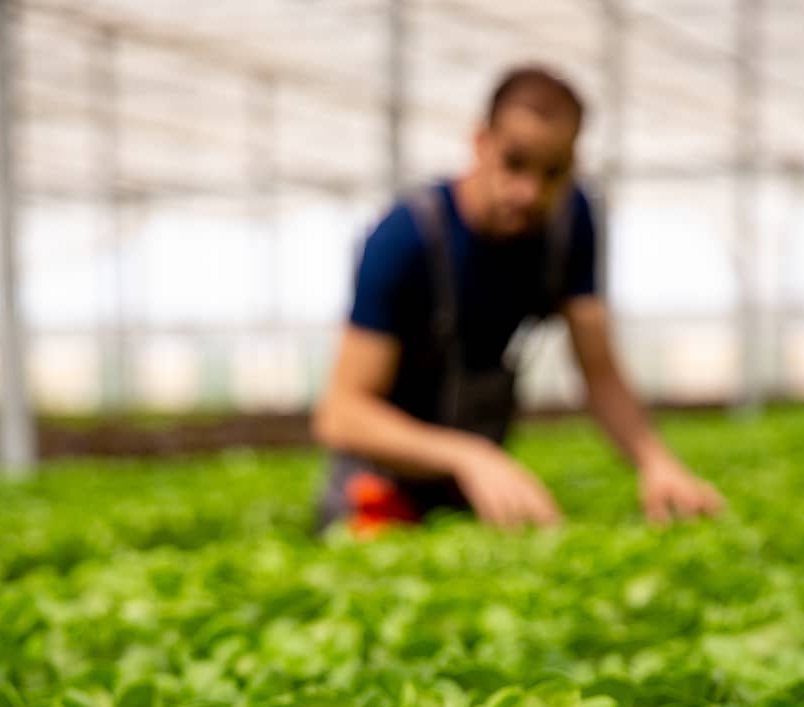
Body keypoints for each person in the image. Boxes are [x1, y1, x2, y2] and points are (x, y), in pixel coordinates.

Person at [311, 63, 725, 540]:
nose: (529, 192)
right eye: (515, 162)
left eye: (554, 172)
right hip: (379, 488)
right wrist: (469, 455)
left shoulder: (571, 225)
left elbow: (600, 370)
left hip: (468, 489)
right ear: (480, 143)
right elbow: (342, 413)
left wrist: (657, 465)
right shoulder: (406, 238)